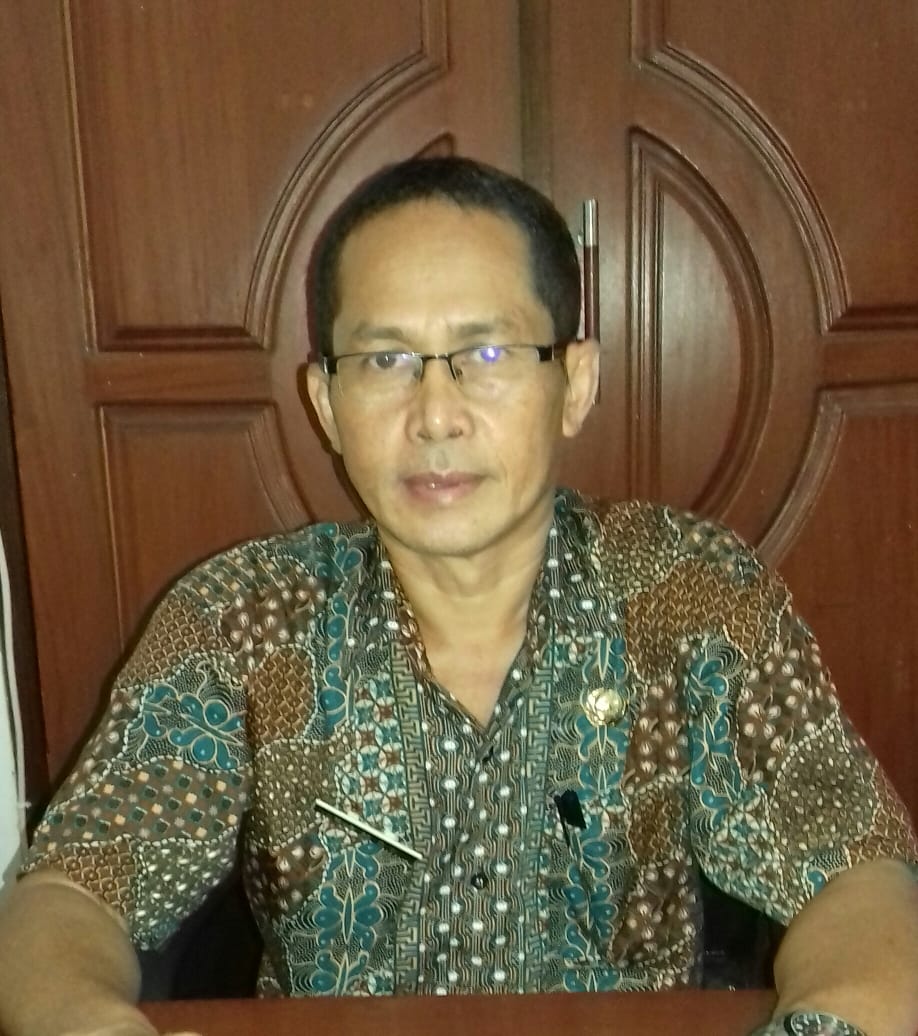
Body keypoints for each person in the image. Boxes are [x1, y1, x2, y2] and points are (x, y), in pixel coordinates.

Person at [0, 156, 916, 1036]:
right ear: (325, 402)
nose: (435, 415)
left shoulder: (689, 594)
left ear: (575, 384)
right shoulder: (242, 620)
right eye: (385, 361)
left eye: (486, 351)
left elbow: (863, 879)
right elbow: (69, 893)